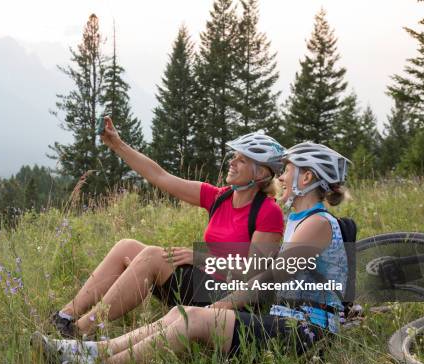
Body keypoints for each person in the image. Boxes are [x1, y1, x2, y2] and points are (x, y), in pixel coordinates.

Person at [35, 142, 352, 364]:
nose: (281, 178)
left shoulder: (317, 224)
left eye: (288, 171)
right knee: (181, 314)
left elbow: (266, 280)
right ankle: (86, 350)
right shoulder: (300, 221)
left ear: (306, 179)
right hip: (284, 323)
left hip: (309, 336)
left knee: (192, 317)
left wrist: (217, 305)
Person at [49, 116, 286, 338]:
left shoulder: (268, 212)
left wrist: (201, 257)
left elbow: (255, 274)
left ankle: (81, 330)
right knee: (127, 247)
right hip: (200, 282)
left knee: (152, 255)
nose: (232, 162)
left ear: (261, 173)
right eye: (234, 156)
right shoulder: (219, 197)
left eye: (241, 160)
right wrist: (118, 145)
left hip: (224, 298)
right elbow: (160, 177)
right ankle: (64, 316)